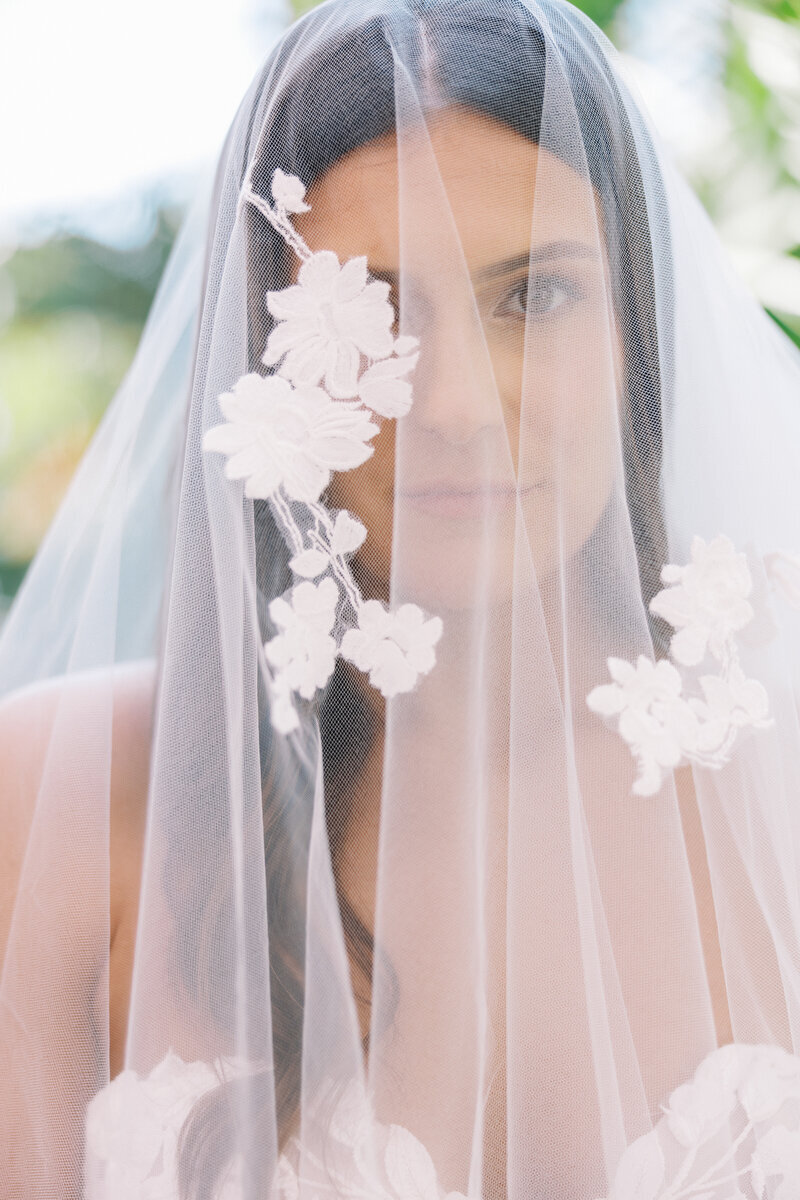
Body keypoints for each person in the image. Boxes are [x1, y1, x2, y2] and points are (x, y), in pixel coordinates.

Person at [3, 0, 800, 1197]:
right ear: (255, 350)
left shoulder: (778, 793)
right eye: (369, 308)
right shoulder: (52, 801)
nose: (459, 406)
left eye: (533, 296)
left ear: (639, 327)